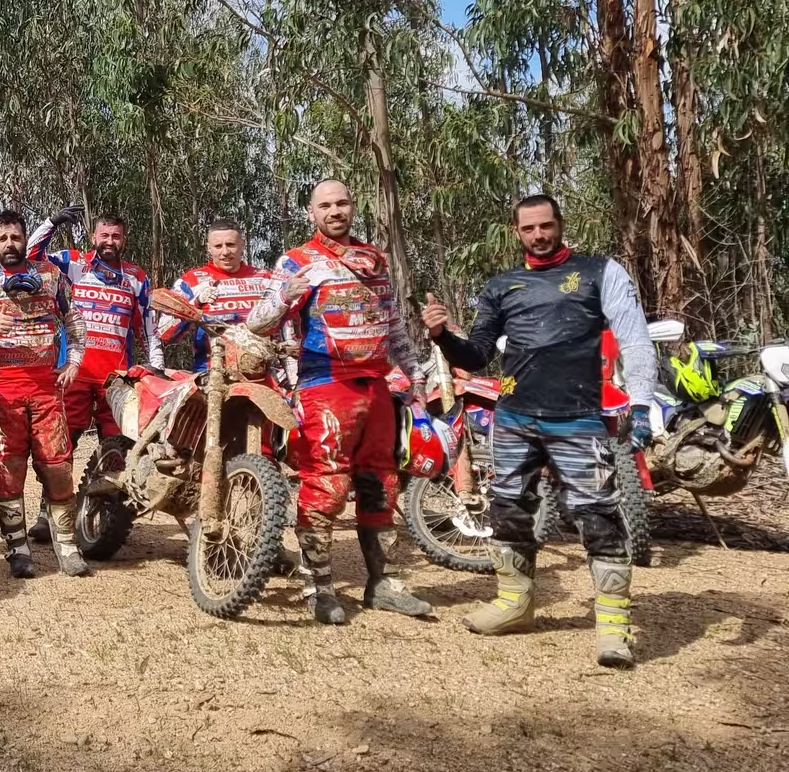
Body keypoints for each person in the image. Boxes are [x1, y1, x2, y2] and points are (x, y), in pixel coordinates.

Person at [421, 194, 658, 668]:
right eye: (528, 229)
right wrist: (443, 336)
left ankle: (613, 627)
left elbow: (634, 339)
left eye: (545, 226)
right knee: (508, 511)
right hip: (514, 416)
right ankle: (515, 605)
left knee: (598, 517)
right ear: (517, 232)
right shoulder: (501, 286)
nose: (538, 235)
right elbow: (478, 355)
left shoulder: (600, 272)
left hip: (579, 417)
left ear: (560, 224)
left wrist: (641, 401)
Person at [246, 179, 432, 625]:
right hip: (325, 386)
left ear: (353, 207)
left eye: (342, 203)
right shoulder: (296, 261)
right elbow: (256, 323)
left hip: (377, 387)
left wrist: (416, 376)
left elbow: (393, 325)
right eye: (325, 205)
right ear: (312, 213)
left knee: (382, 484)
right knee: (326, 487)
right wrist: (285, 296)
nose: (335, 211)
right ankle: (320, 589)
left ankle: (384, 585)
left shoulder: (375, 260)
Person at [0, 210, 90, 579]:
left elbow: (75, 320)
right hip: (0, 390)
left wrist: (74, 362)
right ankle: (17, 549)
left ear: (26, 240)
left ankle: (67, 545)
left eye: (16, 237)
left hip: (46, 388)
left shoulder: (51, 276)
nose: (10, 244)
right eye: (2, 238)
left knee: (58, 465)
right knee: (9, 468)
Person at [23, 208, 152, 541]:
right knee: (60, 447)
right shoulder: (74, 265)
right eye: (104, 235)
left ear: (124, 240)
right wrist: (51, 222)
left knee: (118, 449)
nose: (109, 241)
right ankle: (48, 513)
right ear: (94, 237)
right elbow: (31, 256)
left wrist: (154, 365)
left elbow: (147, 327)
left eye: (116, 236)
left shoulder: (135, 277)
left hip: (116, 381)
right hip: (74, 373)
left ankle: (108, 518)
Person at [152, 220, 274, 371]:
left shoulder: (266, 279)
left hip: (262, 372)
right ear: (209, 248)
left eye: (231, 244)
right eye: (218, 246)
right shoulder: (191, 281)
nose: (225, 252)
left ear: (242, 244)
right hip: (211, 372)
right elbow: (165, 334)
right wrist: (195, 304)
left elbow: (288, 330)